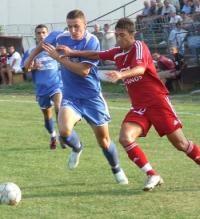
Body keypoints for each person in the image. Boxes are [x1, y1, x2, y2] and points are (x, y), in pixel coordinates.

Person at [54, 17, 200, 192]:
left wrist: (121, 75)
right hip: (139, 107)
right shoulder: (118, 52)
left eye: (122, 35)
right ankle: (152, 174)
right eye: (116, 35)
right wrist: (72, 53)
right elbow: (97, 55)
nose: (119, 39)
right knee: (125, 138)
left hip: (157, 102)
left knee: (181, 144)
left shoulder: (139, 47)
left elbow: (140, 69)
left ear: (132, 35)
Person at [24, 10, 128, 185]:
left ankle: (116, 168)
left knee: (103, 141)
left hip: (92, 98)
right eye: (70, 26)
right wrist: (29, 61)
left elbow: (83, 71)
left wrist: (59, 58)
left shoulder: (92, 41)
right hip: (71, 97)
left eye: (76, 26)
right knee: (64, 131)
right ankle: (77, 147)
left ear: (85, 25)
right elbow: (42, 45)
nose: (73, 30)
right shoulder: (60, 36)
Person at [21, 24, 63, 150]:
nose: (41, 35)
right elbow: (23, 69)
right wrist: (32, 67)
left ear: (48, 34)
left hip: (56, 85)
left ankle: (63, 135)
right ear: (35, 35)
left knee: (59, 107)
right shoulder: (30, 52)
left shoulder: (55, 49)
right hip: (41, 88)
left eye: (44, 32)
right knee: (47, 116)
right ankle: (53, 135)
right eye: (38, 33)